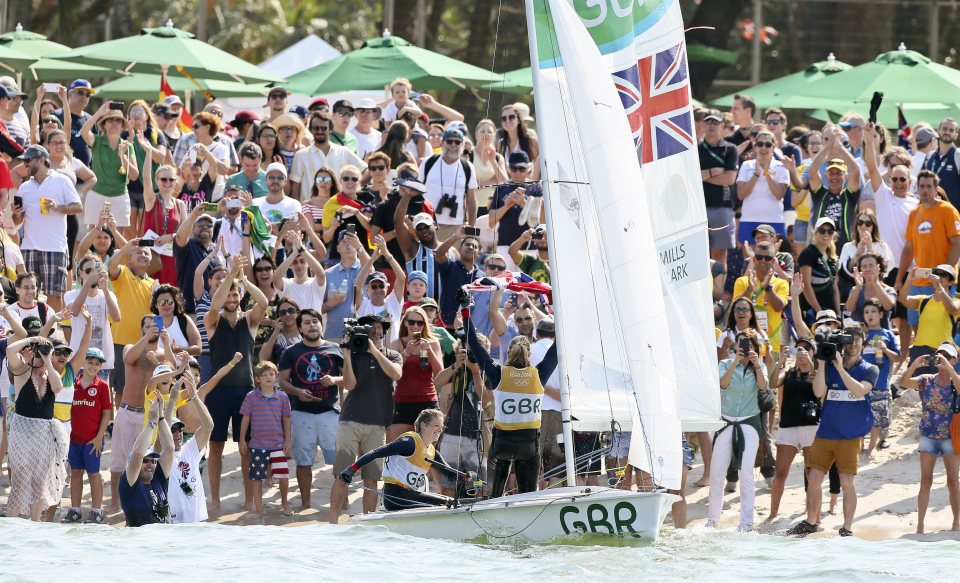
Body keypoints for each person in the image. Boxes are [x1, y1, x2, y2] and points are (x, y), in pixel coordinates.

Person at [788, 324, 878, 538]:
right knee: (814, 478)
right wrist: (821, 362)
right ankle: (811, 522)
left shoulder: (869, 368)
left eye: (858, 339)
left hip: (849, 435)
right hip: (826, 432)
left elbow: (859, 390)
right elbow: (818, 391)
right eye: (850, 338)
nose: (853, 343)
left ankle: (847, 527)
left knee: (847, 482)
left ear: (863, 343)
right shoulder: (828, 365)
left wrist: (839, 369)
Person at [204, 257, 269, 511]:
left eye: (235, 295)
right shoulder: (214, 320)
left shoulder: (250, 320)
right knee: (216, 445)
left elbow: (263, 302)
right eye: (228, 295)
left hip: (245, 391)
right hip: (218, 391)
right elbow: (214, 305)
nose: (231, 298)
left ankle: (250, 499)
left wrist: (242, 280)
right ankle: (216, 498)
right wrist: (231, 276)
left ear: (241, 296)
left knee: (247, 447)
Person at [466, 317, 557, 497]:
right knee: (528, 498)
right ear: (528, 354)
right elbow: (558, 346)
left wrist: (466, 311)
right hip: (529, 447)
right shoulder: (539, 374)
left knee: (493, 497)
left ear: (509, 353)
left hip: (501, 445)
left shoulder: (498, 373)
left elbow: (474, 344)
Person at [329, 314, 403, 523]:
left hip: (378, 424)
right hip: (350, 420)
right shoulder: (354, 353)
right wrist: (346, 353)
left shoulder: (393, 355)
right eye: (371, 328)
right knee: (342, 473)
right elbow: (350, 384)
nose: (376, 332)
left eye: (379, 328)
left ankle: (367, 521)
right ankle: (333, 520)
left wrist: (374, 351)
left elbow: (396, 374)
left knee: (371, 478)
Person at [278, 308, 351, 510]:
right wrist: (297, 391)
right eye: (307, 322)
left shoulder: (336, 349)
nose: (312, 325)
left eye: (315, 321)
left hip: (330, 412)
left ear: (321, 325)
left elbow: (350, 380)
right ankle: (306, 504)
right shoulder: (291, 352)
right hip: (301, 413)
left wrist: (334, 380)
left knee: (339, 463)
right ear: (300, 328)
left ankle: (342, 504)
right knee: (303, 462)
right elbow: (282, 381)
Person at [338, 409, 469, 510]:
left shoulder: (432, 452)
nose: (440, 430)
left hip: (411, 495)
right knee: (446, 502)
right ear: (424, 425)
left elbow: (450, 474)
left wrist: (466, 477)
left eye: (441, 426)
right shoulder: (408, 442)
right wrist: (351, 469)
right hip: (395, 496)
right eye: (436, 425)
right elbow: (376, 452)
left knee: (447, 500)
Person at [12, 145, 83, 312]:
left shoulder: (62, 180)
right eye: (24, 161)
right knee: (28, 294)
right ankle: (32, 330)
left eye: (29, 160)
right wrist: (16, 215)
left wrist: (58, 207)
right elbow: (17, 221)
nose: (26, 164)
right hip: (29, 247)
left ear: (42, 160)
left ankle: (50, 332)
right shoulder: (24, 187)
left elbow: (78, 207)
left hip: (55, 247)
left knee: (55, 294)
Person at [899, 343, 960, 534]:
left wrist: (949, 369)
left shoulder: (955, 381)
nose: (941, 358)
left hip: (950, 437)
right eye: (939, 355)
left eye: (946, 356)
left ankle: (956, 523)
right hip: (928, 435)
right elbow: (903, 382)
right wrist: (914, 365)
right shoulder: (926, 379)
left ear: (954, 360)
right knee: (926, 481)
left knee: (953, 480)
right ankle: (920, 526)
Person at [4, 336, 67, 521]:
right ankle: (11, 527)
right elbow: (10, 351)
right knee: (20, 480)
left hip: (43, 431)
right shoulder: (23, 370)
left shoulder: (51, 374)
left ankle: (35, 526)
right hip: (22, 429)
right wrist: (31, 339)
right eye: (39, 352)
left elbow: (58, 387)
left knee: (40, 482)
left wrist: (48, 359)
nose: (40, 356)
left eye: (46, 352)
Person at [708, 329, 766, 531]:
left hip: (749, 422)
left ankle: (747, 522)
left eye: (748, 344)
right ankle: (712, 520)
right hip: (726, 421)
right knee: (717, 472)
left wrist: (756, 364)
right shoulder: (724, 364)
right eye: (740, 344)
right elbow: (722, 384)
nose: (744, 348)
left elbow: (762, 386)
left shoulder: (760, 366)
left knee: (746, 472)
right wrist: (734, 362)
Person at [899, 170, 960, 331]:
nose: (925, 190)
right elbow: (908, 248)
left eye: (928, 186)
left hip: (940, 282)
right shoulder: (914, 213)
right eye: (921, 186)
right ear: (917, 188)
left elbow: (957, 243)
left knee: (939, 327)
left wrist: (943, 276)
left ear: (935, 188)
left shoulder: (947, 210)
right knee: (915, 325)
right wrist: (900, 278)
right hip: (918, 279)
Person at [767, 336, 819, 521]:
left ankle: (813, 514)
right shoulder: (789, 371)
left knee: (812, 473)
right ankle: (773, 513)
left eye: (806, 348)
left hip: (811, 427)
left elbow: (820, 390)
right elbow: (772, 383)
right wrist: (780, 362)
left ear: (813, 352)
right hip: (788, 426)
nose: (802, 351)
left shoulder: (817, 372)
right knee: (780, 473)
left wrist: (811, 364)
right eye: (799, 348)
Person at [62, 347, 112, 524]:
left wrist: (99, 437)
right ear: (83, 363)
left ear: (100, 367)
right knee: (75, 473)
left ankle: (97, 511)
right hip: (74, 439)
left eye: (97, 364)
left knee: (93, 474)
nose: (93, 366)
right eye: (90, 362)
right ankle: (75, 510)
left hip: (93, 440)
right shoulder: (72, 384)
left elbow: (107, 413)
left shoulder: (102, 386)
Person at [239, 361, 293, 518]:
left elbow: (287, 420)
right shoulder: (251, 397)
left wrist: (288, 440)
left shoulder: (282, 397)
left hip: (278, 445)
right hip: (257, 445)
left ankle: (285, 503)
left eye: (272, 374)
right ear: (258, 379)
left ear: (276, 377)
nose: (269, 377)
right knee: (257, 477)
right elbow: (245, 419)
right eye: (264, 375)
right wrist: (242, 439)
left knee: (283, 475)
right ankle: (258, 508)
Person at [387, 307, 443, 441]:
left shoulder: (433, 343)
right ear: (405, 322)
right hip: (403, 401)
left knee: (427, 450)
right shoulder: (397, 343)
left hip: (427, 400)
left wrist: (429, 351)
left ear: (424, 324)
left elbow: (440, 374)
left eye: (420, 323)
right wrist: (406, 352)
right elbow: (391, 372)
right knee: (400, 449)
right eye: (411, 322)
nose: (415, 326)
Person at [119, 395, 176, 527]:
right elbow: (138, 454)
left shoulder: (159, 479)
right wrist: (152, 422)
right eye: (146, 461)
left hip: (161, 541)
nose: (151, 464)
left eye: (153, 461)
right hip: (140, 542)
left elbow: (169, 449)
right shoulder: (129, 484)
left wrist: (161, 416)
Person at [80, 102, 138, 229]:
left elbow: (134, 176)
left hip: (120, 195)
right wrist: (100, 112)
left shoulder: (128, 146)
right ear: (104, 124)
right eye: (110, 120)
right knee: (93, 236)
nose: (114, 123)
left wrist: (122, 156)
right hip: (96, 194)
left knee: (119, 238)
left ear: (122, 125)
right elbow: (84, 131)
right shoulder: (97, 141)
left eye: (118, 120)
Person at [290, 111, 365, 201]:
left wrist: (353, 188)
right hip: (310, 211)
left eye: (323, 128)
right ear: (310, 130)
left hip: (339, 210)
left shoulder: (343, 151)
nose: (320, 131)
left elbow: (366, 170)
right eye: (316, 128)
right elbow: (295, 188)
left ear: (330, 130)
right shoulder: (301, 155)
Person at [808, 126, 862, 250]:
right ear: (825, 175)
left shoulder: (849, 195)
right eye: (831, 173)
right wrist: (828, 146)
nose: (834, 177)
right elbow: (812, 170)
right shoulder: (820, 194)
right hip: (820, 246)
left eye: (838, 173)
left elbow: (855, 170)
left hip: (844, 247)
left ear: (845, 176)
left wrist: (839, 147)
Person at [899, 265, 960, 373]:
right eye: (936, 273)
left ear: (951, 282)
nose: (938, 276)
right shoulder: (923, 300)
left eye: (943, 274)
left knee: (938, 388)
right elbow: (903, 300)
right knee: (918, 387)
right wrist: (909, 280)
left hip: (942, 352)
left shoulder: (956, 301)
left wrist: (939, 287)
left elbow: (953, 309)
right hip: (920, 351)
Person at [419, 128, 478, 239]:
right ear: (442, 143)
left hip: (456, 226)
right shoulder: (428, 162)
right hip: (427, 223)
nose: (453, 145)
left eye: (457, 142)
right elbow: (417, 192)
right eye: (449, 141)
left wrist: (471, 228)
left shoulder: (468, 167)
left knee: (453, 257)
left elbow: (472, 200)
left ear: (463, 145)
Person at [732, 241, 788, 356]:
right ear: (753, 260)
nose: (763, 261)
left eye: (767, 258)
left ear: (773, 261)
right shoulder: (742, 281)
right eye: (759, 257)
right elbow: (735, 307)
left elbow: (778, 307)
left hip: (771, 346)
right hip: (745, 344)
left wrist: (768, 289)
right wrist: (749, 289)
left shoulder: (781, 283)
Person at [699, 109, 739, 266]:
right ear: (702, 124)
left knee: (720, 253)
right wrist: (713, 171)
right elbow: (691, 178)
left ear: (722, 126)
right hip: (698, 207)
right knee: (698, 252)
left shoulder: (730, 149)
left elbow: (729, 179)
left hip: (722, 206)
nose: (711, 126)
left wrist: (703, 176)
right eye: (708, 122)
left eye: (715, 122)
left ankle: (718, 290)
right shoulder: (694, 149)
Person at [860, 298, 900, 458]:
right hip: (860, 382)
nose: (870, 315)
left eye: (873, 312)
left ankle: (872, 448)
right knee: (860, 417)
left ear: (881, 314)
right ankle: (859, 446)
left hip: (880, 382)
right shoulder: (861, 334)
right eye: (866, 312)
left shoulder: (888, 334)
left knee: (877, 418)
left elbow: (898, 357)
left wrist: (885, 350)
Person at [736, 130, 788, 242]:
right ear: (755, 147)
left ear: (773, 147)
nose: (764, 148)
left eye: (768, 145)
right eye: (760, 144)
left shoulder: (781, 166)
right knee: (749, 258)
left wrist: (767, 173)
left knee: (774, 256)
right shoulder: (746, 165)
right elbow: (741, 195)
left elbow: (779, 195)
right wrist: (756, 174)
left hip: (774, 220)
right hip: (749, 219)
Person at [354, 236, 406, 343]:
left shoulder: (392, 302)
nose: (378, 289)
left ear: (387, 287)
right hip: (368, 353)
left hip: (391, 354)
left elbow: (401, 278)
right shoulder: (364, 305)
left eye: (381, 286)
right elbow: (357, 286)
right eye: (374, 286)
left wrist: (387, 254)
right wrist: (372, 259)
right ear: (367, 288)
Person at [836, 209, 895, 300]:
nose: (863, 226)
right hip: (855, 292)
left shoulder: (882, 246)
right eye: (860, 222)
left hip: (877, 293)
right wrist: (857, 254)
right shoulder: (848, 246)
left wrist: (870, 248)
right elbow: (844, 271)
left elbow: (885, 271)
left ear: (873, 227)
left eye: (868, 223)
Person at [797, 216, 840, 323]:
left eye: (830, 231)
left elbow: (835, 288)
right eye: (822, 231)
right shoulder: (808, 253)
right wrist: (819, 311)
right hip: (812, 311)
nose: (826, 234)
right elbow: (806, 285)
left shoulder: (832, 257)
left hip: (830, 312)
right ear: (815, 233)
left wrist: (838, 312)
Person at [498, 103, 540, 181]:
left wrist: (533, 185)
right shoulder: (501, 144)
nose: (507, 121)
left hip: (529, 188)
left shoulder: (530, 140)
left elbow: (540, 163)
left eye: (511, 117)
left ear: (518, 120)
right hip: (509, 188)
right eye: (504, 118)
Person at [923, 118, 960, 208]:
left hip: (953, 215)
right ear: (938, 131)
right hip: (931, 212)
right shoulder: (930, 156)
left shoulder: (958, 155)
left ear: (956, 135)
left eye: (951, 130)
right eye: (944, 129)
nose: (947, 132)